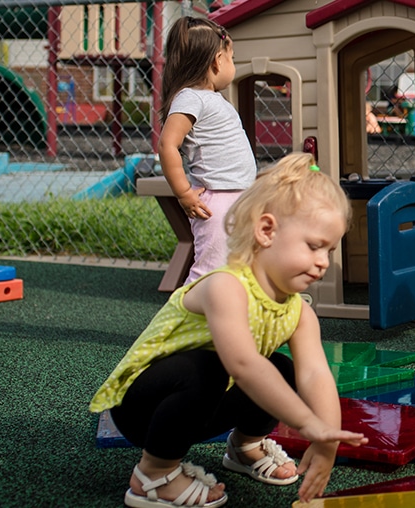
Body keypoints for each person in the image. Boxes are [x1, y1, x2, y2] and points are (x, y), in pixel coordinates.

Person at [90, 153, 369, 507]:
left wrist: (327, 440)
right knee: (211, 366)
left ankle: (245, 447)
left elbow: (315, 374)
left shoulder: (299, 311)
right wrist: (306, 423)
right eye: (314, 246)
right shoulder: (226, 286)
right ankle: (154, 474)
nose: (323, 262)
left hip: (201, 407)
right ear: (266, 231)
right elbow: (244, 366)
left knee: (284, 369)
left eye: (329, 250)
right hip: (143, 408)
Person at [157, 16, 258, 286]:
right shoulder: (191, 97)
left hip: (238, 198)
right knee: (210, 272)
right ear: (217, 60)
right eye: (232, 57)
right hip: (215, 202)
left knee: (238, 268)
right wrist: (183, 193)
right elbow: (168, 145)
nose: (233, 64)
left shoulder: (211, 99)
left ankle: (227, 321)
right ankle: (180, 322)